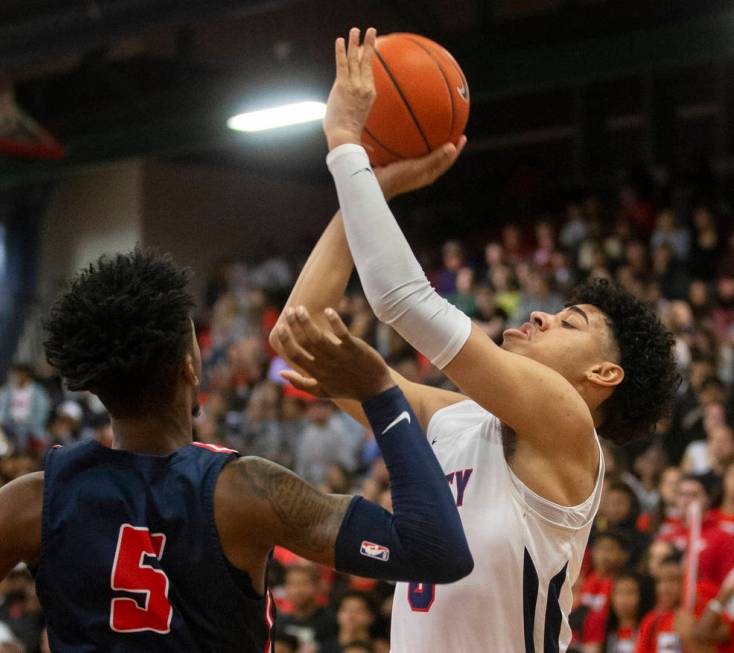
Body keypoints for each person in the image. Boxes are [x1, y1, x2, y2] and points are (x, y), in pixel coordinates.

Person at [273, 27, 679, 652]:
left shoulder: (569, 430)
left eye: (570, 323)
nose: (543, 317)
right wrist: (370, 191)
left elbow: (401, 298)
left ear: (602, 376)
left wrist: (345, 146)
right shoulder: (458, 421)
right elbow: (299, 331)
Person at [0, 250, 472, 651]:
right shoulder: (245, 494)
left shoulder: (30, 503)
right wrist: (381, 394)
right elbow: (436, 552)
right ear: (189, 365)